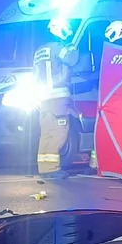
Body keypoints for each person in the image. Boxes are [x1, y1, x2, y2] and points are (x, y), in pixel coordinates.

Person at [32, 32, 80, 177]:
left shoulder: (39, 51)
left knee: (47, 133)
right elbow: (72, 59)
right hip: (58, 96)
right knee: (59, 132)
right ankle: (52, 169)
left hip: (43, 98)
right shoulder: (58, 47)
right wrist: (72, 47)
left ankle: (45, 168)